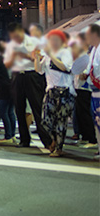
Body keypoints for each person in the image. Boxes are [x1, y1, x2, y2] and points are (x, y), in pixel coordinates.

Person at [5, 23, 52, 150]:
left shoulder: (34, 42)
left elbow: (41, 59)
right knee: (19, 109)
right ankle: (24, 139)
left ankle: (47, 140)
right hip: (17, 76)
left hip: (32, 75)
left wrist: (25, 55)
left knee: (37, 107)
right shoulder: (11, 45)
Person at [36, 29, 75, 157]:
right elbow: (39, 70)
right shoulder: (48, 55)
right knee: (45, 120)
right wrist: (36, 57)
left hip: (65, 90)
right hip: (50, 90)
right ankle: (54, 139)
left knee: (61, 121)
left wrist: (51, 55)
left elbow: (65, 67)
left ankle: (59, 147)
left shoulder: (66, 53)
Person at [70, 36, 96, 146]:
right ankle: (85, 136)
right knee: (80, 113)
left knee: (85, 113)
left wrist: (84, 74)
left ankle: (91, 138)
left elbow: (88, 70)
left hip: (85, 87)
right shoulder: (81, 55)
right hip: (78, 87)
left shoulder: (89, 56)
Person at [81, 24, 100, 159]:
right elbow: (89, 68)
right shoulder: (93, 49)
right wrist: (83, 74)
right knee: (97, 121)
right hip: (94, 89)